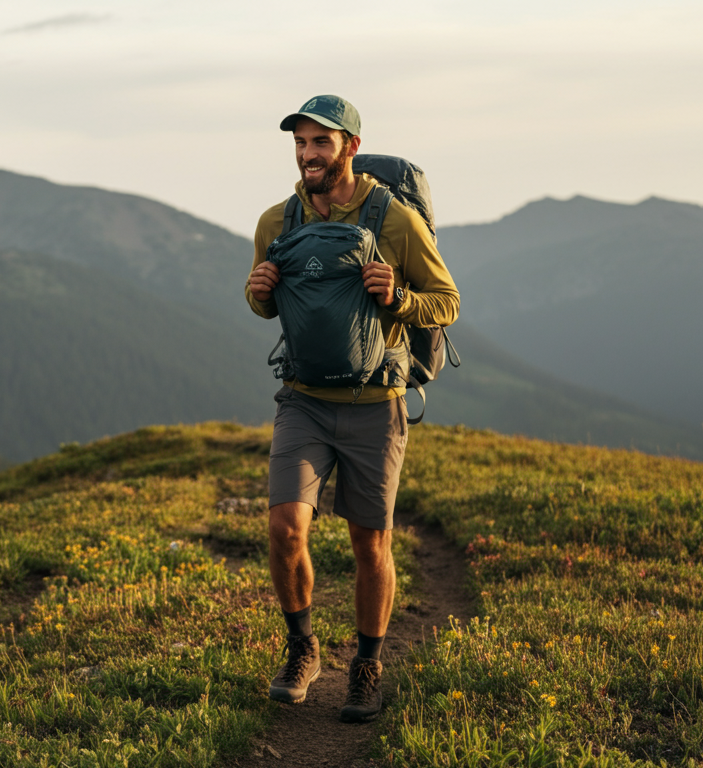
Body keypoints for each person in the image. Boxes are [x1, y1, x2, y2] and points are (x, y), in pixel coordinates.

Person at [245, 95, 460, 722]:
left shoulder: (394, 221)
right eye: (301, 142)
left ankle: (367, 664)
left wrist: (397, 299)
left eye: (321, 142)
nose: (308, 154)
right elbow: (269, 304)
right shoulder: (276, 221)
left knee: (370, 543)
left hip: (376, 404)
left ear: (350, 148)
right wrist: (257, 294)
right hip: (303, 401)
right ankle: (302, 648)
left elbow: (444, 301)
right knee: (285, 528)